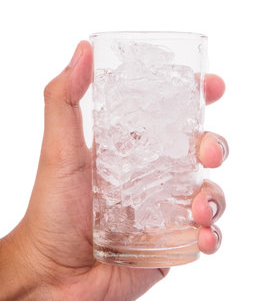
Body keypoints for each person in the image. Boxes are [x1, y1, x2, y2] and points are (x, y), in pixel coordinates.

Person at [0, 41, 228, 301]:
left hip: (165, 238)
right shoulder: (121, 91)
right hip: (109, 239)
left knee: (198, 154)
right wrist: (38, 262)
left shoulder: (172, 94)